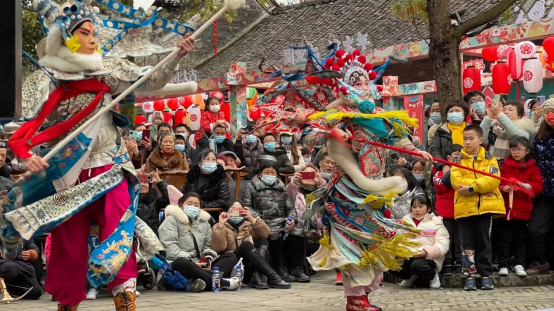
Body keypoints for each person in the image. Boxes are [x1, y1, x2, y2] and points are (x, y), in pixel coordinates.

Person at [1, 1, 193, 309]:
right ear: (67, 39)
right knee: (70, 246)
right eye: (85, 33)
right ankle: (69, 301)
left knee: (119, 226)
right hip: (69, 175)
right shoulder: (47, 81)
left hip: (111, 167)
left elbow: (151, 80)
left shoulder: (106, 74)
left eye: (94, 33)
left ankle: (124, 294)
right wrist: (26, 155)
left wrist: (175, 56)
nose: (93, 39)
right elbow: (24, 127)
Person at [450, 125, 505, 291]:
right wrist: (481, 188)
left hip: (485, 209)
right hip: (464, 208)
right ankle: (469, 275)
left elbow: (493, 180)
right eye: (465, 139)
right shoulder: (458, 160)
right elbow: (455, 182)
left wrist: (472, 189)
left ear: (481, 140)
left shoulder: (490, 158)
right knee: (466, 245)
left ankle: (486, 275)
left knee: (484, 242)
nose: (467, 142)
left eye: (471, 138)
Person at [158, 192, 239, 291]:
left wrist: (207, 259)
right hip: (180, 263)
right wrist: (192, 262)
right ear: (181, 205)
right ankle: (222, 282)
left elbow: (207, 246)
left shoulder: (204, 223)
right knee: (181, 263)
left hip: (200, 264)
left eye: (196, 205)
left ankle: (201, 281)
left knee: (231, 257)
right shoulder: (171, 220)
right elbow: (169, 247)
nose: (193, 207)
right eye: (189, 203)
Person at [211, 200, 291, 289]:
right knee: (246, 245)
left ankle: (258, 276)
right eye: (233, 210)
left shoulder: (248, 224)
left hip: (248, 266)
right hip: (233, 265)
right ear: (227, 212)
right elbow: (218, 248)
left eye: (239, 210)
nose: (236, 212)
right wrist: (221, 225)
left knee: (262, 241)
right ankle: (273, 276)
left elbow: (265, 234)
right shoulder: (219, 226)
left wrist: (252, 218)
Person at [241, 159, 299, 283]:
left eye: (273, 173)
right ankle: (265, 270)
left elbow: (290, 207)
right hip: (260, 221)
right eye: (267, 172)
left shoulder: (281, 187)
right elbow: (247, 206)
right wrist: (259, 220)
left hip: (280, 221)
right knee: (271, 231)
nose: (270, 175)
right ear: (260, 173)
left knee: (298, 231)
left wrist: (292, 219)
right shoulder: (251, 186)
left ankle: (295, 268)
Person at [497, 137, 543, 277]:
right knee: (504, 239)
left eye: (519, 149)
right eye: (513, 149)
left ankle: (519, 264)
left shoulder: (532, 167)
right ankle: (503, 264)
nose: (515, 152)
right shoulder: (505, 165)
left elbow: (537, 186)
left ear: (527, 150)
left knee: (521, 239)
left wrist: (521, 187)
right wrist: (502, 188)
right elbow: (496, 183)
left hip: (523, 209)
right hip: (506, 210)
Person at [284, 164, 328, 282]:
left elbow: (329, 196)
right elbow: (287, 197)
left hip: (319, 230)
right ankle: (298, 268)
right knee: (297, 231)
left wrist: (321, 181)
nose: (309, 176)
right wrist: (294, 183)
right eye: (305, 173)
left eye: (312, 174)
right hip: (298, 229)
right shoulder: (294, 190)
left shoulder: (322, 191)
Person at [395, 195, 449, 288]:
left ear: (429, 208)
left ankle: (433, 275)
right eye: (414, 207)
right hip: (409, 254)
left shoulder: (436, 222)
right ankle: (409, 277)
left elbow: (443, 243)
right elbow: (398, 239)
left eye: (421, 206)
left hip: (428, 257)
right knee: (390, 263)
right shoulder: (405, 222)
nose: (417, 210)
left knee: (417, 265)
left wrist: (426, 252)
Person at [527, 99, 554, 274]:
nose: (551, 116)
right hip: (544, 193)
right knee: (536, 229)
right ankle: (542, 262)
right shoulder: (539, 136)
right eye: (547, 112)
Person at [432, 144, 463, 276]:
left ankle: (460, 263)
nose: (457, 160)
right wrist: (452, 169)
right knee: (447, 239)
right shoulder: (439, 172)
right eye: (455, 157)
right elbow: (440, 187)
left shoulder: (465, 172)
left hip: (461, 211)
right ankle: (447, 263)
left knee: (460, 240)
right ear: (448, 157)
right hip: (445, 212)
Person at [480, 101, 536, 166]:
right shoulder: (495, 126)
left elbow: (515, 134)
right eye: (503, 110)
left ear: (519, 116)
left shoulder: (524, 126)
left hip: (513, 167)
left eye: (510, 109)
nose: (506, 112)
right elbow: (482, 139)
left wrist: (500, 115)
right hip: (493, 166)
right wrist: (489, 116)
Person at [429, 100, 470, 176]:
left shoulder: (472, 130)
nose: (454, 113)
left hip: (469, 170)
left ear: (464, 114)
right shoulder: (440, 131)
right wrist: (444, 165)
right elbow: (434, 150)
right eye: (451, 111)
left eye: (457, 111)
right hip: (446, 172)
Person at [137, 170, 169, 235]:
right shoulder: (129, 200)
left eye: (145, 182)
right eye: (139, 183)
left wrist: (159, 181)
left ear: (150, 185)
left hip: (152, 235)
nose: (142, 185)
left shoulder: (155, 200)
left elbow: (168, 197)